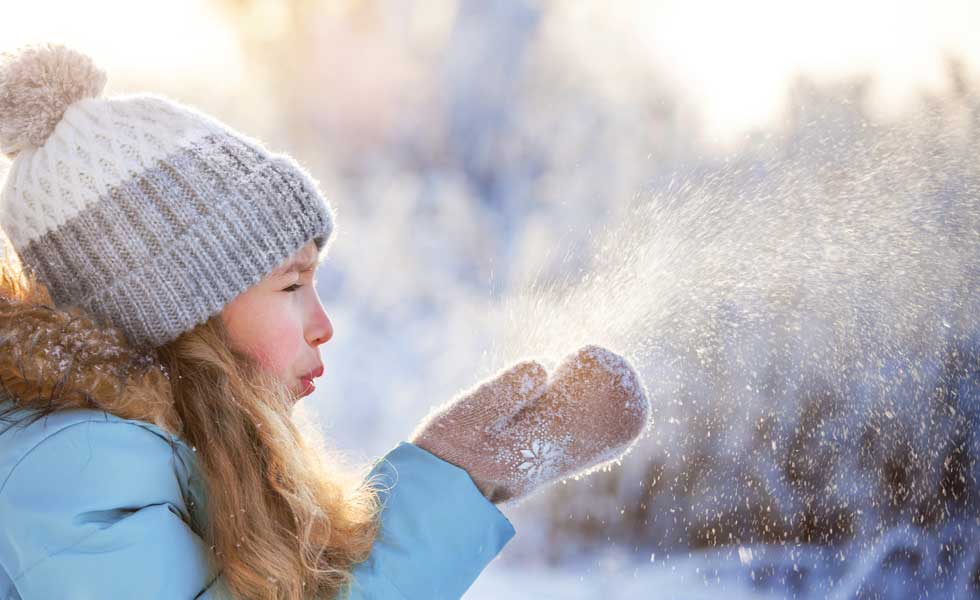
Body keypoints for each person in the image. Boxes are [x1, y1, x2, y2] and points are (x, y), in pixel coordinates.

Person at [0, 43, 650, 599]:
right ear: (176, 307)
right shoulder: (71, 473)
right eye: (291, 285)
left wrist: (461, 479)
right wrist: (451, 479)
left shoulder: (175, 449)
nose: (323, 325)